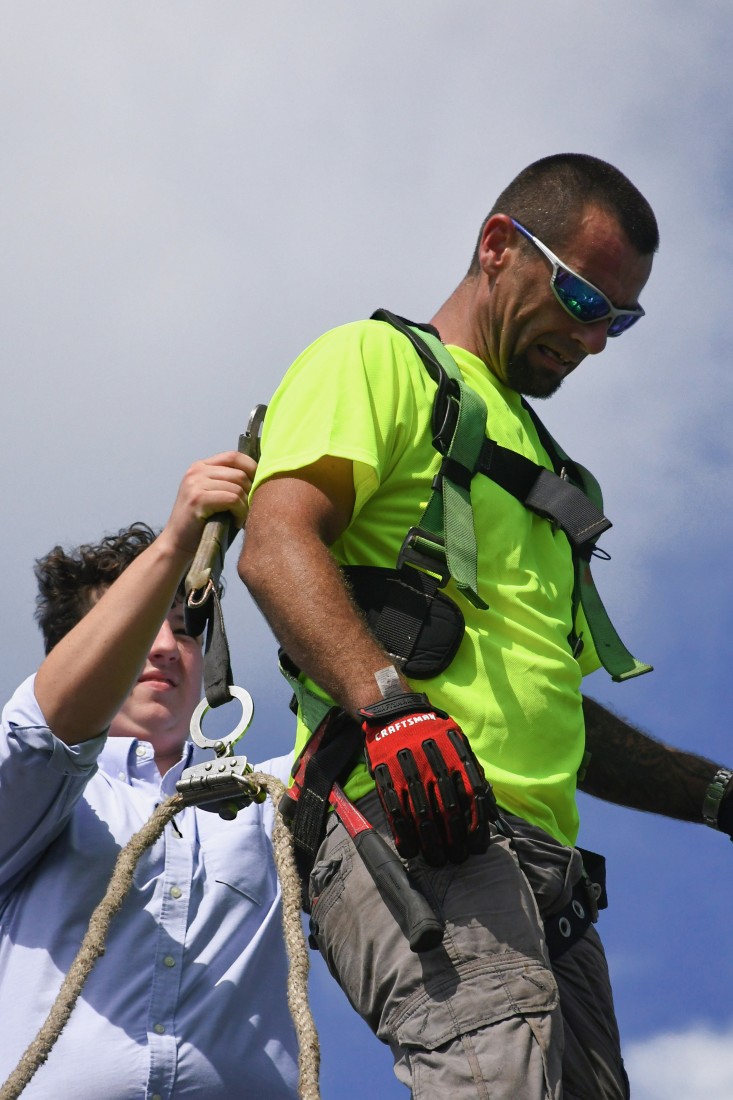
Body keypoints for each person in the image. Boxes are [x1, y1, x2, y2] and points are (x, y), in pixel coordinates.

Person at [237, 153, 733, 1100]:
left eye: (618, 321)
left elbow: (551, 711)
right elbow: (275, 543)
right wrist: (391, 709)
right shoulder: (376, 360)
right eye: (586, 299)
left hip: (545, 879)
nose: (595, 341)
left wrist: (714, 794)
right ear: (499, 246)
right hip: (415, 815)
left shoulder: (552, 475)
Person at [0, 452, 298, 1099]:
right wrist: (176, 543)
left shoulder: (267, 797)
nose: (165, 646)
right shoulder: (27, 793)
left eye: (185, 627)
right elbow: (41, 734)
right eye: (140, 630)